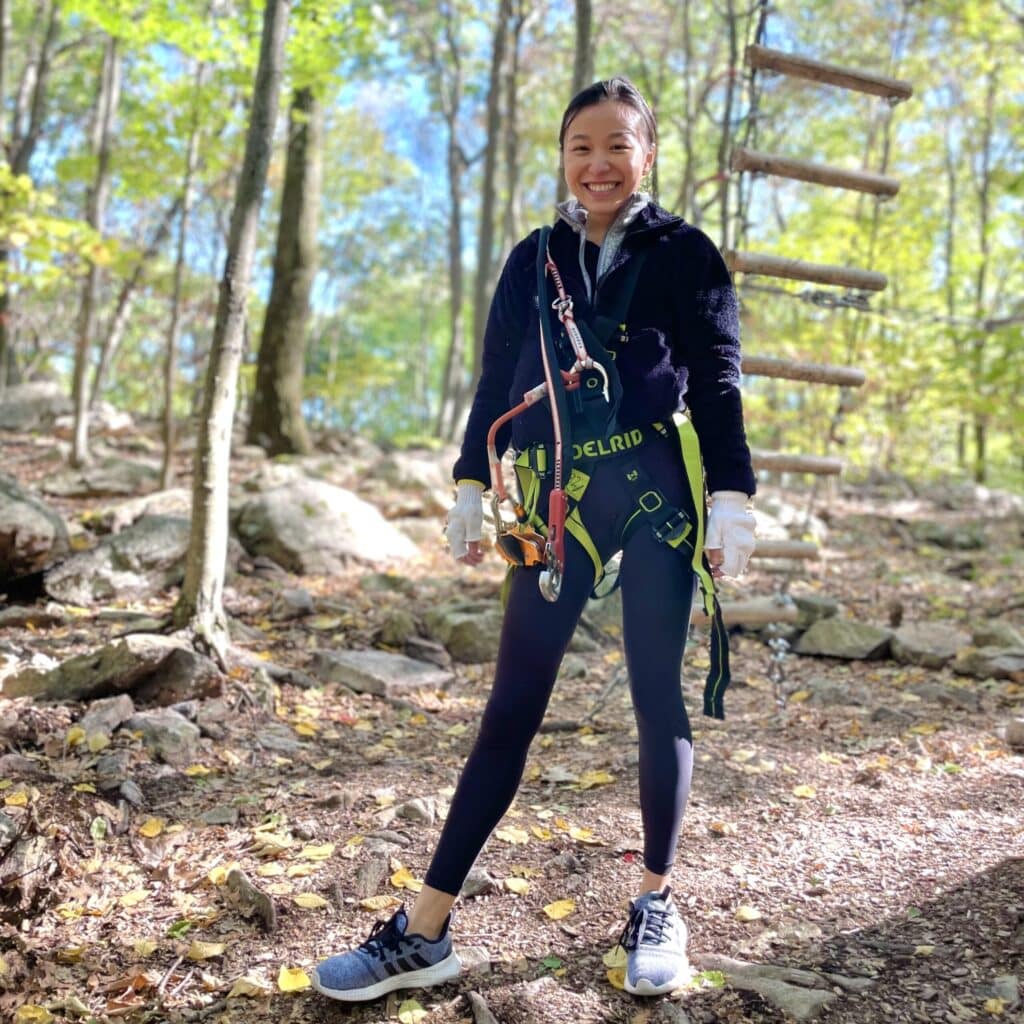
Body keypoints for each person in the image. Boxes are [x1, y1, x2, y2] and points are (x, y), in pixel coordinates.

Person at [313, 76, 756, 1003]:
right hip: (558, 503)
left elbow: (716, 382)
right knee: (510, 709)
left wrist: (734, 497)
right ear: (563, 157)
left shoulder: (688, 255)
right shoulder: (535, 257)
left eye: (616, 146)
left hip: (656, 495)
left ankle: (655, 902)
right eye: (580, 147)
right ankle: (424, 931)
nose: (598, 164)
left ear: (648, 155)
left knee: (654, 697)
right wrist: (472, 477)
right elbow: (497, 375)